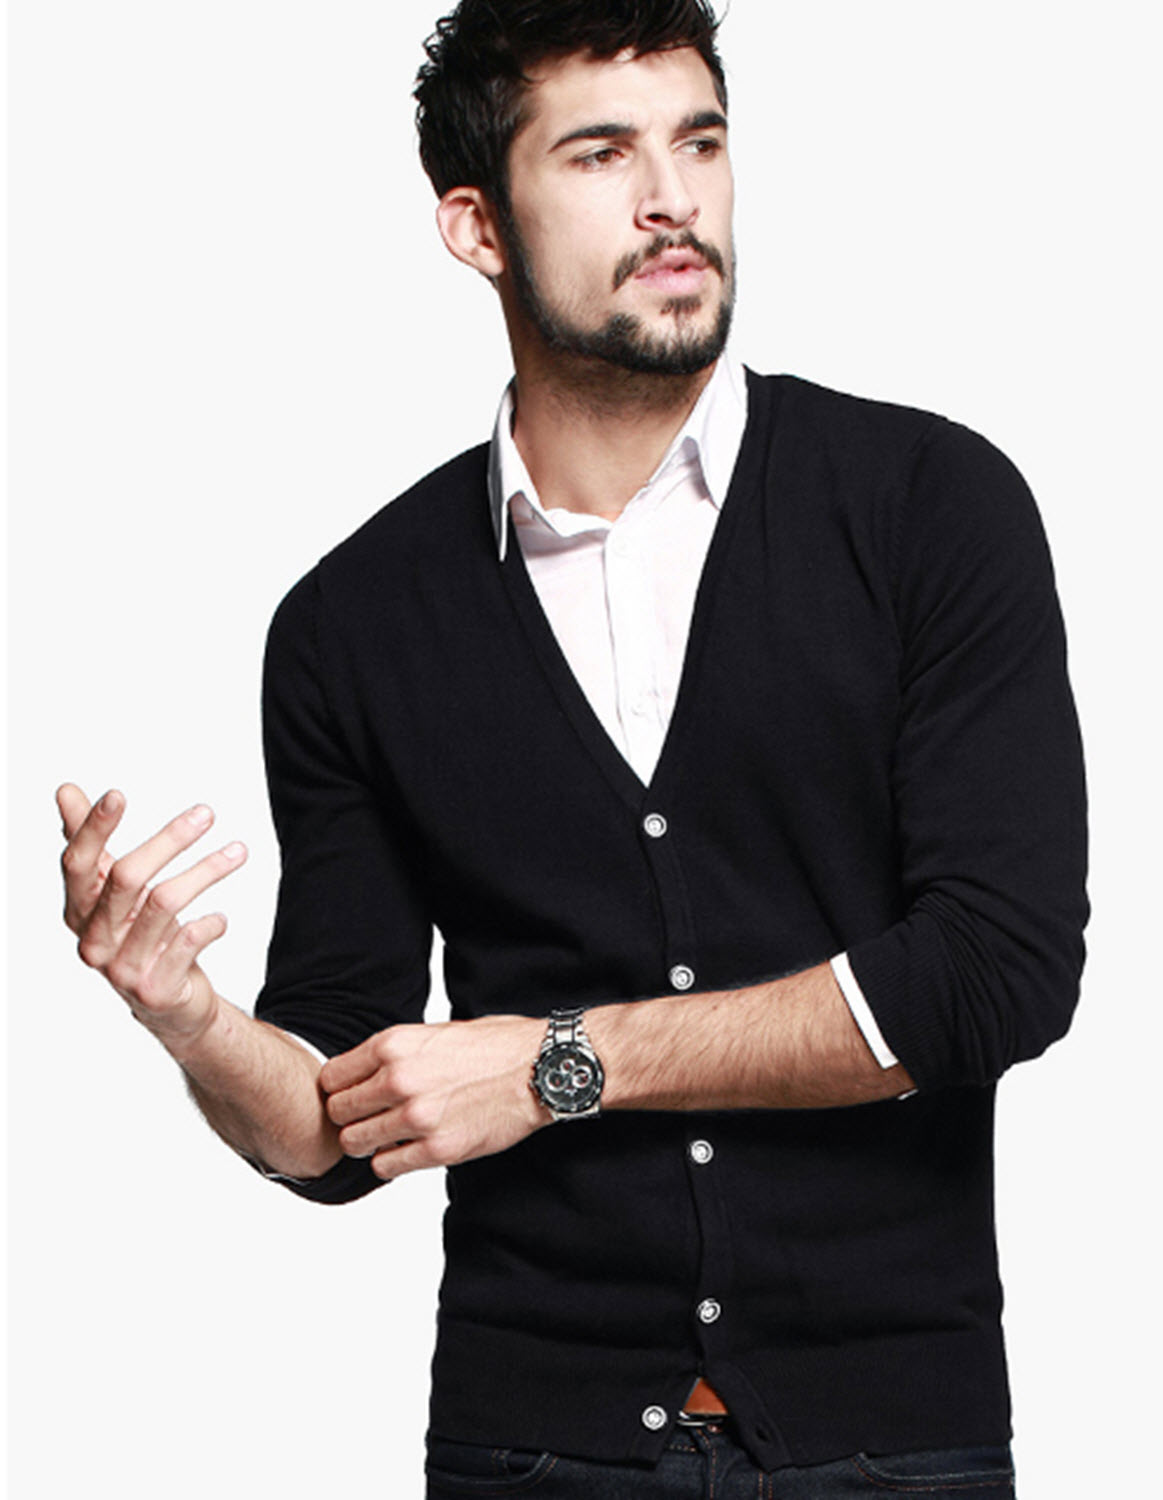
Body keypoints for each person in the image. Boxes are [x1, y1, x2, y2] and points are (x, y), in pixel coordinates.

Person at [55, 2, 1088, 1495]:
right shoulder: (354, 623)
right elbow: (341, 1121)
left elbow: (996, 973)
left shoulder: (930, 505)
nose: (673, 199)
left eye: (700, 143)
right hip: (535, 1447)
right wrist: (192, 1023)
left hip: (892, 1440)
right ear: (476, 226)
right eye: (602, 155)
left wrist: (562, 1067)